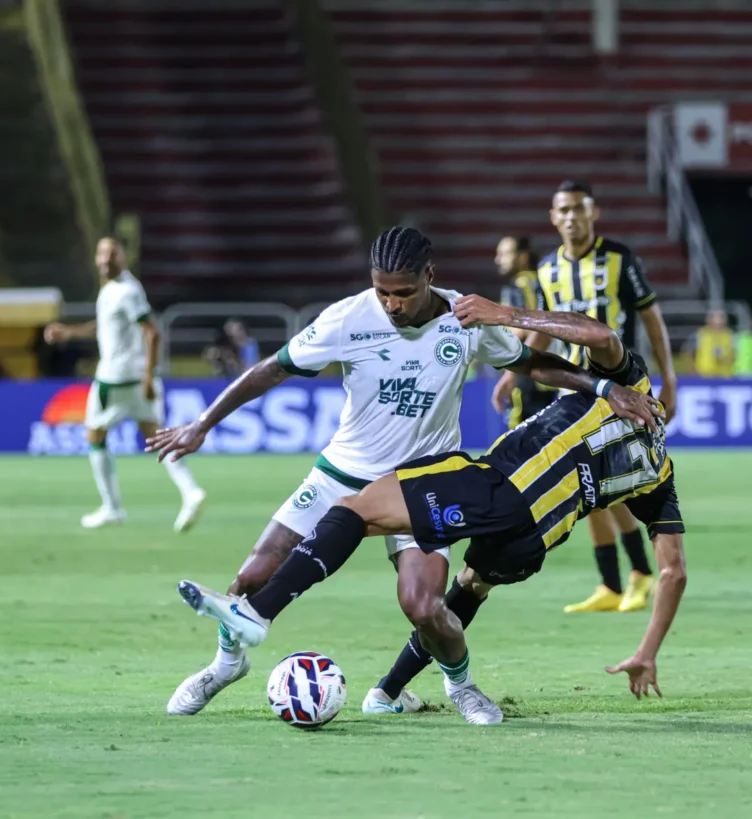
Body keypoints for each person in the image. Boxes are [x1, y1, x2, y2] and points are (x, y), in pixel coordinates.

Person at [145, 227, 661, 721]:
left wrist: (601, 388)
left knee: (424, 607)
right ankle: (224, 667)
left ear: (429, 276)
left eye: (404, 293)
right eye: (382, 292)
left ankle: (460, 684)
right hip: (342, 473)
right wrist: (202, 424)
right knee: (251, 578)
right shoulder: (347, 318)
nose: (391, 304)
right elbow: (273, 368)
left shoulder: (464, 319)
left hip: (423, 482)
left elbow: (532, 363)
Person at [495, 180, 678, 615]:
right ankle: (613, 584)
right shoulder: (545, 269)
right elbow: (538, 322)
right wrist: (509, 370)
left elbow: (651, 317)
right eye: (564, 210)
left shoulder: (619, 259)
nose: (572, 217)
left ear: (593, 212)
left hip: (622, 390)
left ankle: (641, 575)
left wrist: (669, 376)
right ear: (553, 218)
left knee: (618, 487)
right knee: (588, 489)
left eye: (580, 208)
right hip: (576, 390)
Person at [43, 237, 206, 532]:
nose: (106, 259)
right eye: (101, 253)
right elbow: (106, 325)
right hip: (135, 378)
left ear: (124, 257)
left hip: (116, 379)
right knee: (156, 436)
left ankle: (112, 508)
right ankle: (190, 490)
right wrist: (69, 332)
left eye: (112, 253)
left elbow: (152, 332)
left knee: (95, 436)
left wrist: (149, 374)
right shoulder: (118, 289)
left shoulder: (127, 291)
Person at [495, 235, 559, 427]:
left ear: (522, 257)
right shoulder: (541, 280)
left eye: (505, 254)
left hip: (525, 373)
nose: (498, 260)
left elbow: (520, 329)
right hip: (549, 373)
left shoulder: (519, 285)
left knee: (518, 439)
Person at [685, 309, 735, 378]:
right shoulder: (700, 334)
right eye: (715, 322)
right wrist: (693, 372)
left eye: (720, 322)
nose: (718, 324)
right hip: (704, 376)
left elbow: (734, 356)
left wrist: (725, 361)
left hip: (724, 376)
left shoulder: (729, 335)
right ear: (709, 321)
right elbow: (688, 354)